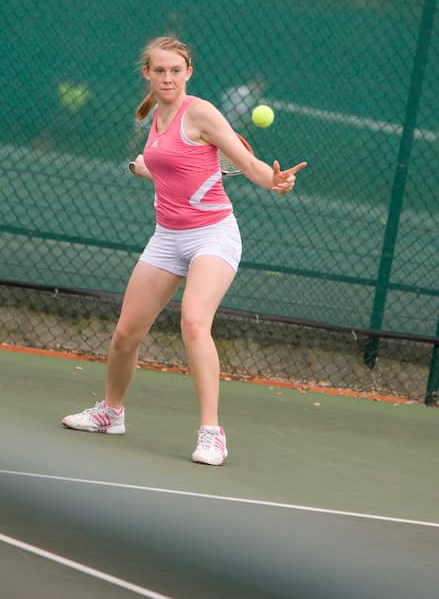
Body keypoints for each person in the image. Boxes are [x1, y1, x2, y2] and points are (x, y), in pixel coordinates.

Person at [62, 36, 306, 466]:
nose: (168, 78)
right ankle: (111, 413)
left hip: (213, 236)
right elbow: (161, 166)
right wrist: (139, 167)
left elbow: (248, 164)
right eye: (160, 71)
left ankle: (212, 433)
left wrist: (275, 181)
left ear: (188, 72)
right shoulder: (155, 115)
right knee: (125, 335)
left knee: (194, 322)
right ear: (148, 75)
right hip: (168, 237)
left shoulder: (202, 113)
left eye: (176, 70)